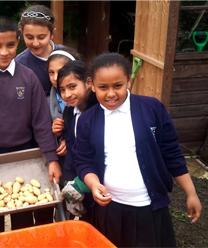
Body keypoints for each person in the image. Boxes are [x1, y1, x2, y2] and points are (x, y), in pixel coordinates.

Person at [73, 53, 202, 247]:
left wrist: (190, 193)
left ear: (129, 81)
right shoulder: (87, 120)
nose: (110, 94)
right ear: (91, 84)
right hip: (110, 211)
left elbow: (171, 152)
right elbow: (83, 160)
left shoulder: (152, 109)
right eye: (103, 87)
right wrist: (93, 184)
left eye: (118, 85)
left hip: (149, 209)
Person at [0, 15, 61, 237]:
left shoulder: (29, 77)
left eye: (10, 45)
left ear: (18, 42)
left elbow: (41, 122)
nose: (4, 52)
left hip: (25, 155)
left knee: (22, 215)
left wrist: (51, 158)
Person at [56, 60, 98, 222]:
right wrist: (70, 181)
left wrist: (83, 185)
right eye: (62, 90)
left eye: (72, 87)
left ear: (88, 82)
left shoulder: (97, 114)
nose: (67, 94)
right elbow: (73, 149)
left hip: (95, 185)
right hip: (78, 181)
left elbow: (99, 155)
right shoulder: (70, 111)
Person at [47, 48, 81, 183]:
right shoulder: (46, 100)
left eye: (61, 71)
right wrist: (55, 131)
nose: (56, 78)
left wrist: (69, 138)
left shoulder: (84, 99)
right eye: (51, 72)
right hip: (60, 161)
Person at [15, 4, 64, 92]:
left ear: (52, 34)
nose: (35, 43)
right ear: (21, 33)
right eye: (29, 37)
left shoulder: (66, 54)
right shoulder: (19, 64)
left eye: (41, 37)